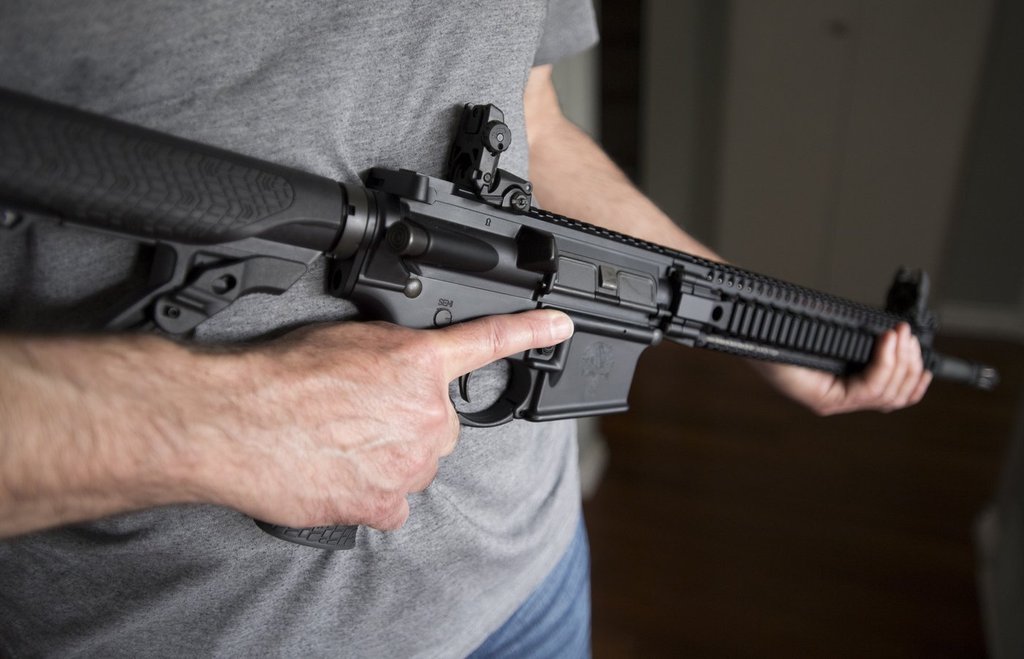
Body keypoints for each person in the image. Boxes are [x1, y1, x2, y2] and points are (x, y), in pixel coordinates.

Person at [0, 1, 931, 656]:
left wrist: (771, 335)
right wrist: (224, 418)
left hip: (526, 578)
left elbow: (536, 124)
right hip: (193, 628)